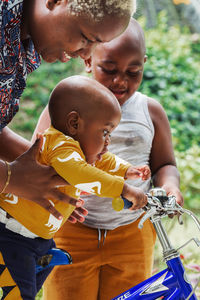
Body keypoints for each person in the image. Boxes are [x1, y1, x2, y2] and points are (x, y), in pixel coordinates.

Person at [34, 19, 184, 300]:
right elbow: (39, 158)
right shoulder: (64, 105)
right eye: (110, 69)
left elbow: (165, 164)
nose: (120, 81)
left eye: (133, 71)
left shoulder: (150, 111)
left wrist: (171, 187)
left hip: (132, 232)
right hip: (72, 231)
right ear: (88, 59)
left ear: (144, 63)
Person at [0, 75, 151, 300]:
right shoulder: (61, 146)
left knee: (31, 285)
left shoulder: (75, 149)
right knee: (19, 293)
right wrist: (123, 188)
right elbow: (80, 174)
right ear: (74, 123)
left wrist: (126, 170)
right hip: (13, 237)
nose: (108, 141)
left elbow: (103, 160)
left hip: (37, 240)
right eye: (105, 132)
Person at [0, 0, 136, 222]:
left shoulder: (25, 45)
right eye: (86, 38)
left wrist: (45, 177)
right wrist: (10, 177)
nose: (85, 55)